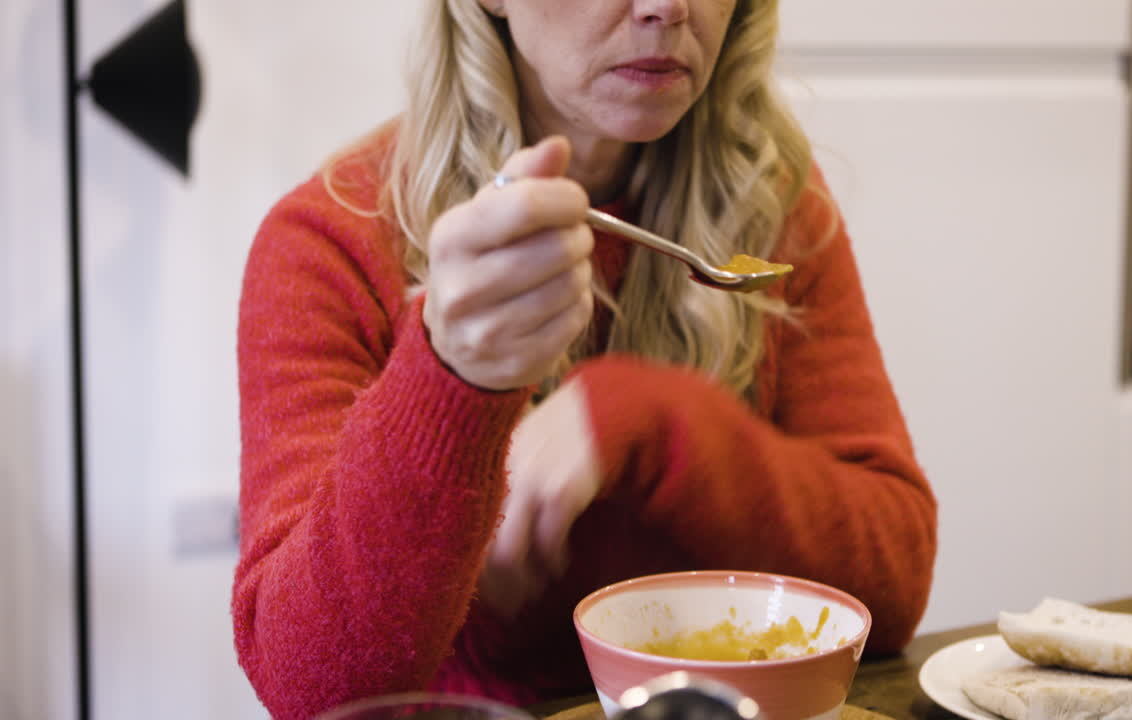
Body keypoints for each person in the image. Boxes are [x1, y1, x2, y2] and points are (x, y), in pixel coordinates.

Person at [232, 1, 938, 718]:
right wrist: (451, 375)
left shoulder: (767, 205)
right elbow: (309, 690)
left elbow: (892, 589)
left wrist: (653, 421)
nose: (666, 7)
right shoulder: (329, 244)